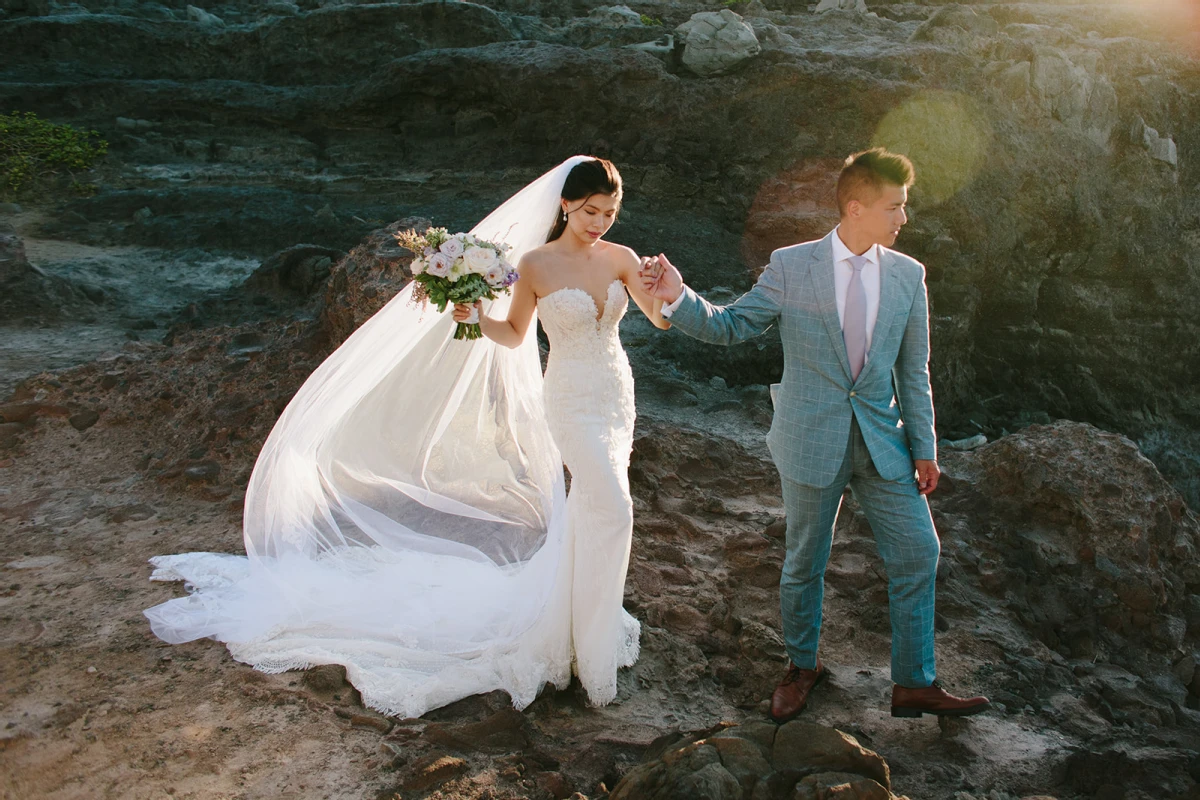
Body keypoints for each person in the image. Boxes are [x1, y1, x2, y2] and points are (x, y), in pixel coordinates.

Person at [144, 156, 663, 717]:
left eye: (610, 212)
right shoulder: (535, 264)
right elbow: (514, 335)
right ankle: (589, 637)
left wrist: (667, 290)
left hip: (615, 395)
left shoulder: (622, 259)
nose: (601, 223)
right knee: (615, 508)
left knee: (596, 507)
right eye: (590, 211)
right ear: (565, 204)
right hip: (568, 400)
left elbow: (657, 318)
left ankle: (582, 629)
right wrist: (470, 316)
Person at [639, 148, 989, 721]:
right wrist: (677, 296)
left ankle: (914, 683)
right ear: (856, 207)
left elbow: (913, 370)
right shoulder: (791, 265)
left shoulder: (908, 275)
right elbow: (731, 327)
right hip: (809, 437)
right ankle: (802, 667)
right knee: (805, 560)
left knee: (919, 552)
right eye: (895, 207)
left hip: (885, 444)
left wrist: (925, 447)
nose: (904, 218)